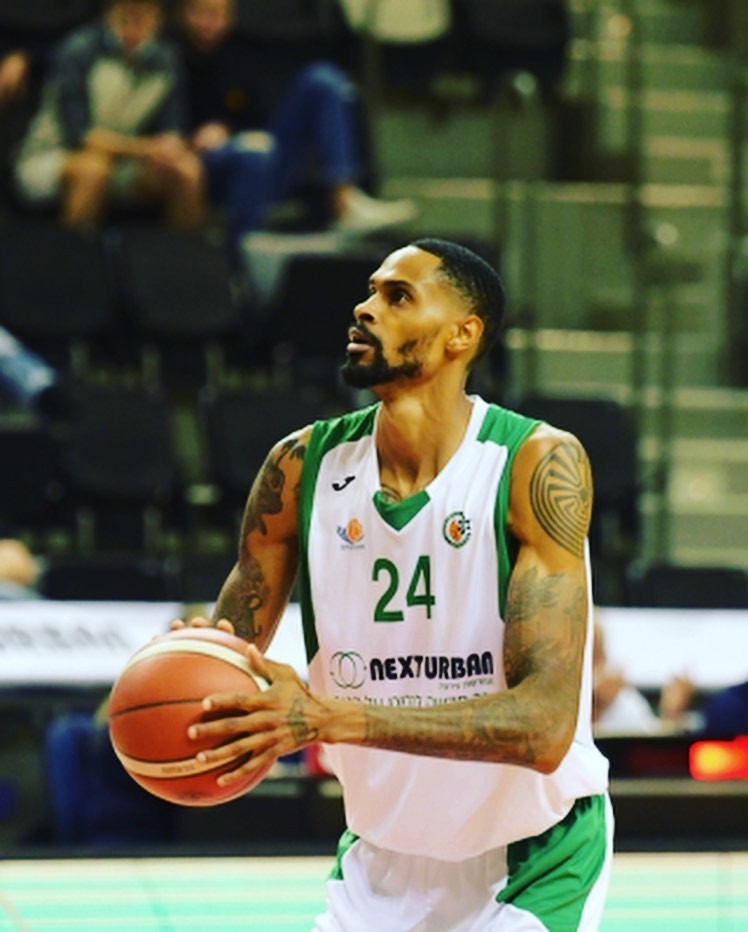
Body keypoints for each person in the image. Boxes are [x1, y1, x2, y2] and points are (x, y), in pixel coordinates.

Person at [177, 238, 612, 930]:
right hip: (379, 861)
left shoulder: (532, 463)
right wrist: (189, 669)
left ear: (462, 334)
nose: (365, 308)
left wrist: (328, 718)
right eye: (370, 291)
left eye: (398, 296)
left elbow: (544, 727)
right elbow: (228, 662)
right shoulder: (299, 468)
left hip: (531, 863)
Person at [172, 0, 416, 249]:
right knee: (253, 152)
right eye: (200, 13)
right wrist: (194, 138)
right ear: (181, 13)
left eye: (217, 14)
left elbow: (257, 115)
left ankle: (344, 202)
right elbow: (165, 127)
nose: (208, 23)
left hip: (260, 155)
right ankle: (240, 260)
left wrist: (228, 128)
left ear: (231, 17)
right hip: (203, 164)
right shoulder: (169, 57)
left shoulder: (240, 54)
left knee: (322, 79)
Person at [13, 0, 206, 229]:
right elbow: (81, 138)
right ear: (108, 16)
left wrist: (170, 147)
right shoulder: (79, 49)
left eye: (144, 19)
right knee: (93, 170)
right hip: (52, 157)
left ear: (159, 21)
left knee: (187, 170)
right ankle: (72, 251)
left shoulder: (167, 61)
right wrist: (146, 149)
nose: (134, 29)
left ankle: (184, 252)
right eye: (125, 18)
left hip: (122, 163)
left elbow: (172, 130)